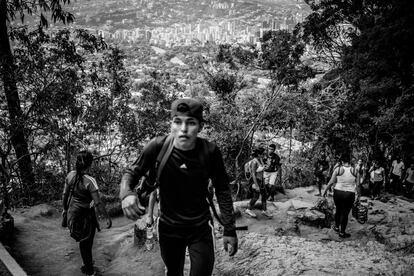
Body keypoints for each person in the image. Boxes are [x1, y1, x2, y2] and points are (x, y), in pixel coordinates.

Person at [119, 98, 238, 276]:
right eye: (177, 122)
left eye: (190, 123)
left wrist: (230, 229)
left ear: (200, 126)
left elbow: (222, 190)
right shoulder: (157, 147)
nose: (183, 129)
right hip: (168, 227)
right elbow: (131, 172)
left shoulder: (210, 152)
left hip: (200, 227)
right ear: (171, 124)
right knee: (174, 272)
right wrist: (126, 194)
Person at [62, 150, 112, 276]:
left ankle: (86, 263)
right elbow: (98, 203)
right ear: (90, 164)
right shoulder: (90, 181)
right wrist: (106, 217)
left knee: (83, 240)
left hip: (73, 214)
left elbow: (65, 195)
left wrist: (64, 209)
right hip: (86, 216)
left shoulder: (70, 176)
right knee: (86, 242)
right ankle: (89, 270)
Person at [323, 151, 360, 238]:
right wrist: (359, 195)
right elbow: (358, 185)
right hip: (349, 194)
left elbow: (331, 182)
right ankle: (342, 233)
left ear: (342, 161)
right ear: (350, 161)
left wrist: (325, 191)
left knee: (338, 210)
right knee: (345, 213)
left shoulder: (338, 169)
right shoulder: (355, 171)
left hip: (338, 192)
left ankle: (336, 227)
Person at [245, 147, 272, 218]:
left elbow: (262, 169)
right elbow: (253, 174)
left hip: (261, 180)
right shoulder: (254, 161)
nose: (264, 155)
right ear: (259, 154)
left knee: (264, 195)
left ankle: (264, 210)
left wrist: (266, 166)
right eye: (263, 154)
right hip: (255, 181)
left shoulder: (260, 160)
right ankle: (248, 209)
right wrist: (256, 186)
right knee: (256, 196)